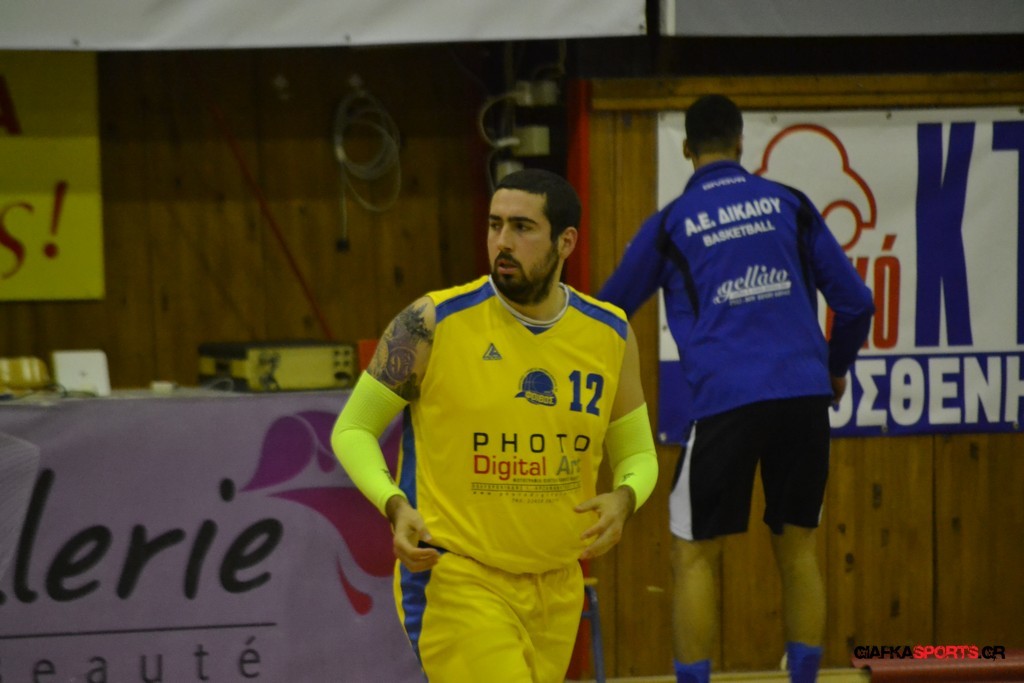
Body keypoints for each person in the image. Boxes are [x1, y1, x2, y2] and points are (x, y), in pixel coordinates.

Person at [331, 168, 659, 682]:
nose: (502, 242)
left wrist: (625, 497)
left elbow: (637, 453)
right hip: (457, 578)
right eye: (494, 225)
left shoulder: (609, 333)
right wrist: (393, 504)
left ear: (566, 241)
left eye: (522, 227)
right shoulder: (431, 322)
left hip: (558, 585)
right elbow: (352, 428)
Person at [597, 95, 874, 683]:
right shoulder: (790, 204)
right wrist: (834, 367)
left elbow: (607, 311)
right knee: (798, 550)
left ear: (687, 149)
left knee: (694, 554)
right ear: (741, 143)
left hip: (727, 401)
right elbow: (856, 303)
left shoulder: (672, 223)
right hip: (803, 398)